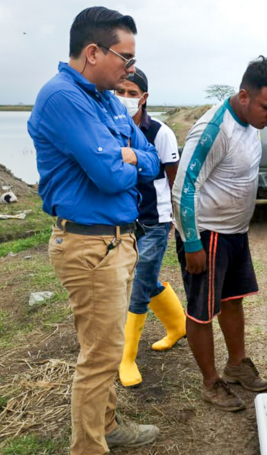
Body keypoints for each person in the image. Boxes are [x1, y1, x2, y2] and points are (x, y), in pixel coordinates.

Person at [28, 7, 162, 455]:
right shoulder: (63, 98)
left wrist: (126, 155)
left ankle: (106, 423)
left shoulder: (101, 98)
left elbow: (145, 156)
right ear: (93, 52)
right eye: (125, 58)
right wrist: (124, 158)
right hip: (88, 243)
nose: (130, 68)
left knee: (103, 347)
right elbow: (111, 174)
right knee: (100, 355)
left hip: (114, 238)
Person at [172, 56, 267, 411]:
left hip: (235, 233)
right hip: (207, 235)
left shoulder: (250, 125)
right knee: (201, 311)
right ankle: (211, 382)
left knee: (232, 299)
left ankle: (236, 364)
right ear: (243, 96)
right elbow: (183, 187)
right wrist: (192, 243)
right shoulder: (214, 129)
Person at [114, 68, 187, 388]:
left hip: (154, 219)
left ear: (144, 97)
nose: (126, 99)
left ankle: (127, 356)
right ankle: (178, 325)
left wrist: (170, 217)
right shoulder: (106, 128)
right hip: (120, 218)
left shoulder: (160, 133)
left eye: (132, 93)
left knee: (140, 280)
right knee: (139, 276)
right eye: (120, 92)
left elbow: (171, 179)